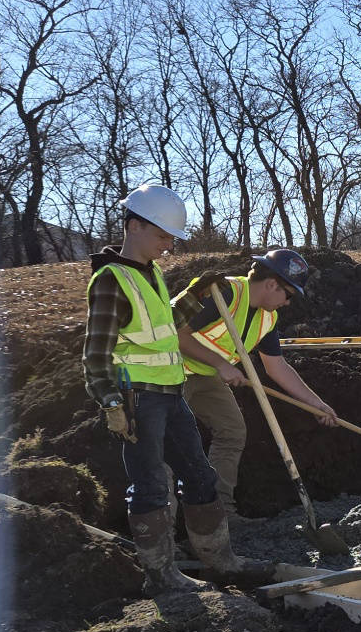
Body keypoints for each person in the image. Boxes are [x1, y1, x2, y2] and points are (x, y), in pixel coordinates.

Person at [82, 183, 261, 593]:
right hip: (138, 399)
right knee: (149, 485)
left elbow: (165, 327)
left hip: (170, 392)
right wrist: (111, 402)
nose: (168, 245)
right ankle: (161, 577)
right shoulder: (111, 280)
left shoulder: (152, 275)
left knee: (200, 475)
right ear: (135, 226)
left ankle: (221, 562)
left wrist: (196, 292)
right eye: (163, 236)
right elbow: (95, 352)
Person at [175, 249, 338, 516]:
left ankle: (220, 513)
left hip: (204, 375)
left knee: (232, 431)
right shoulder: (223, 292)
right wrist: (220, 363)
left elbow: (276, 367)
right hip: (166, 372)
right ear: (272, 283)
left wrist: (316, 404)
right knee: (168, 442)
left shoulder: (267, 317)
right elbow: (175, 334)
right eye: (289, 295)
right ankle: (167, 533)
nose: (288, 303)